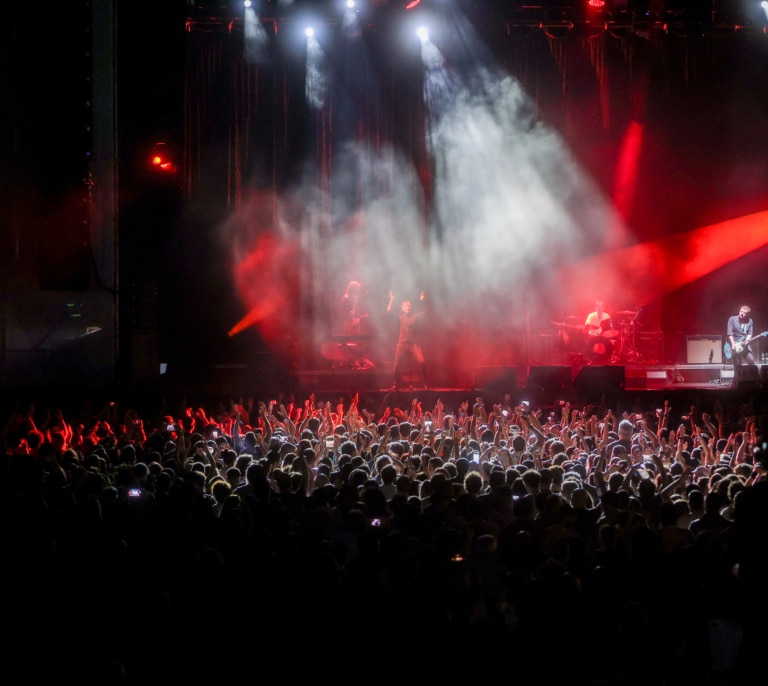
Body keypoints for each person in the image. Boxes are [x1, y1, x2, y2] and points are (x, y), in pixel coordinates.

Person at [386, 289, 428, 390]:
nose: (407, 307)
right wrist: (391, 300)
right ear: (402, 308)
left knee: (422, 362)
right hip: (402, 344)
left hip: (413, 345)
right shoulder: (399, 317)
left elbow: (426, 312)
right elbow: (388, 312)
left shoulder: (414, 316)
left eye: (409, 306)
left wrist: (422, 300)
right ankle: (396, 384)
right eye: (405, 306)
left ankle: (424, 383)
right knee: (396, 367)